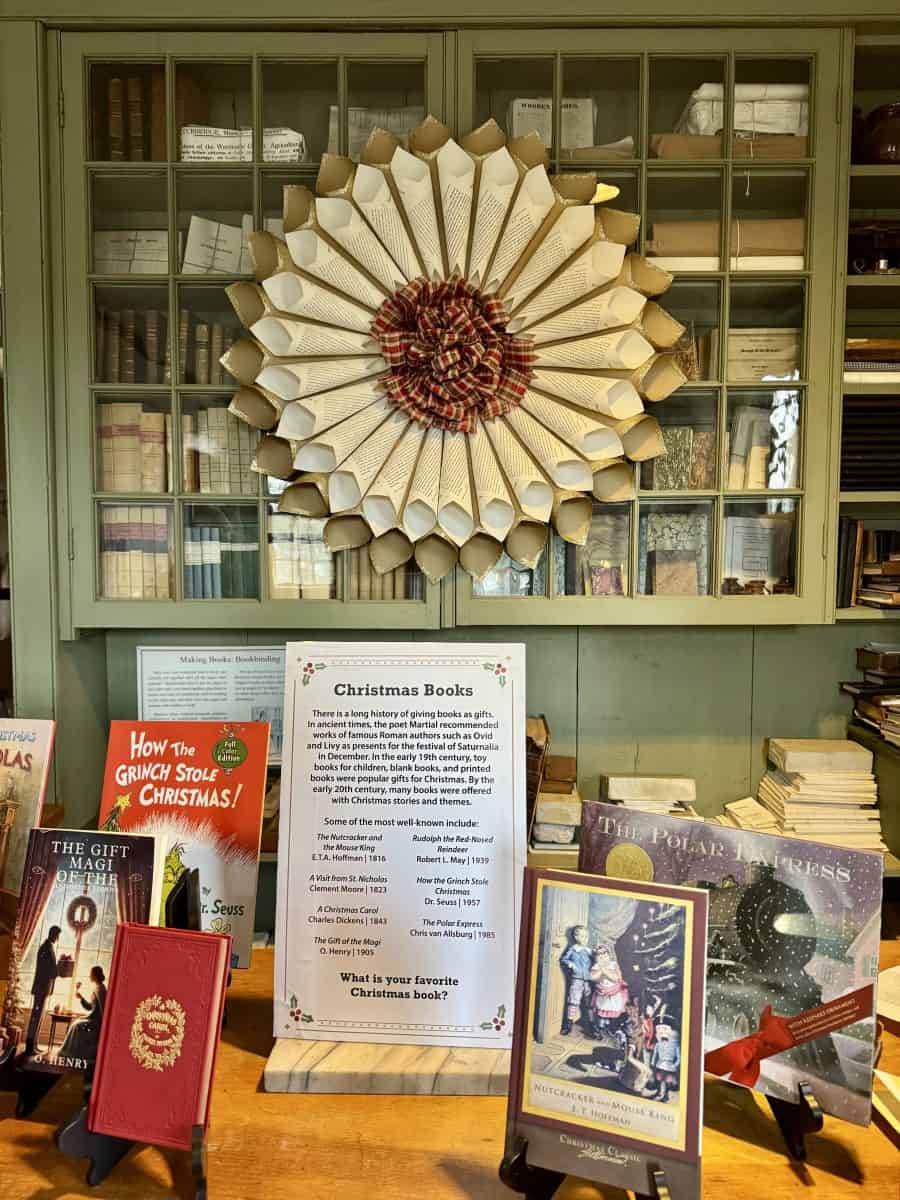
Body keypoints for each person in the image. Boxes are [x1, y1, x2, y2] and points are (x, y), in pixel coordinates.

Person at [58, 966, 106, 1068]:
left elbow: (103, 1009)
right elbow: (90, 1007)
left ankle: (73, 1053)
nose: (89, 976)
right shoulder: (97, 987)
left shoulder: (101, 989)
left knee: (77, 1026)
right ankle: (68, 1051)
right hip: (93, 1018)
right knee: (75, 1023)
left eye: (91, 974)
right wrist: (81, 998)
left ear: (95, 975)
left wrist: (103, 1025)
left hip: (97, 1021)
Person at [25, 925, 60, 1056]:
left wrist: (55, 969)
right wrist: (57, 970)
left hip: (43, 988)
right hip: (41, 988)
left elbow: (48, 968)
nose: (57, 938)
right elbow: (45, 969)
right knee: (35, 1017)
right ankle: (30, 1047)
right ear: (53, 934)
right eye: (57, 935)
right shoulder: (46, 948)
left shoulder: (48, 947)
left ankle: (33, 1044)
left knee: (38, 1016)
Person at [588, 943, 629, 1036]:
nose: (602, 956)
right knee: (603, 1008)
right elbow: (593, 978)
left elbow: (616, 978)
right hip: (602, 991)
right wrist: (600, 970)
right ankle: (601, 1027)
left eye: (604, 953)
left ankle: (612, 1027)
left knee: (613, 1008)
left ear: (609, 955)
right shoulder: (596, 966)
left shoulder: (613, 965)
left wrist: (605, 971)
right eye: (599, 954)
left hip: (613, 990)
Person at [560, 925, 593, 1036]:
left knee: (589, 1003)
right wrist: (571, 964)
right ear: (576, 937)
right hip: (577, 980)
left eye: (586, 936)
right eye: (582, 936)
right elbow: (564, 959)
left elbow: (596, 961)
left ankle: (592, 1026)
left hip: (588, 981)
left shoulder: (589, 951)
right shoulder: (573, 949)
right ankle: (568, 1025)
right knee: (573, 1001)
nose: (585, 939)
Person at [647, 1022, 681, 1102]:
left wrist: (674, 1065)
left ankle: (666, 1096)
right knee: (659, 1079)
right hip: (660, 1065)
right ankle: (659, 1092)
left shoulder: (675, 1046)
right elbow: (655, 1054)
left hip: (669, 1066)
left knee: (667, 1080)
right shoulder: (659, 1044)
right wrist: (653, 1063)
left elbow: (679, 1058)